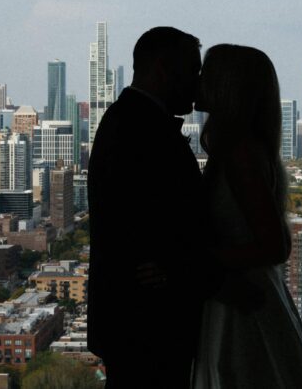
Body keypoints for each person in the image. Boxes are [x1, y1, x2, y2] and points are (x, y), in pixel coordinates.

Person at [87, 27, 215, 388]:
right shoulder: (137, 127)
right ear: (162, 69)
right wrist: (174, 269)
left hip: (140, 322)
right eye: (192, 71)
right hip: (145, 323)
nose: (197, 83)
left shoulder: (131, 120)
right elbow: (144, 222)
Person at [192, 44, 302, 389]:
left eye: (208, 74)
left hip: (242, 303)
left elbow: (274, 246)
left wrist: (197, 260)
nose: (199, 80)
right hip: (243, 295)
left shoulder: (240, 153)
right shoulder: (240, 149)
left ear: (227, 86)